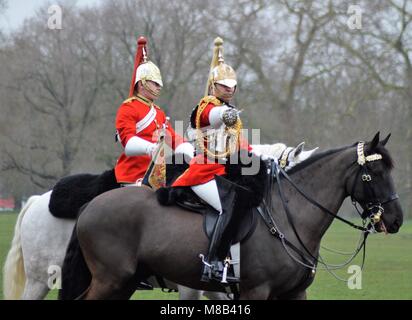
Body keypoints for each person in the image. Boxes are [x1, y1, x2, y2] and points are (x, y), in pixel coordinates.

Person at [172, 37, 252, 284]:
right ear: (213, 86)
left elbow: (242, 146)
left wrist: (267, 158)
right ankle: (214, 263)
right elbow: (213, 116)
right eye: (224, 85)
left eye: (232, 85)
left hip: (226, 173)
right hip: (204, 173)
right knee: (229, 206)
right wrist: (225, 113)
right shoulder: (205, 107)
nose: (229, 89)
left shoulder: (232, 115)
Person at [115, 36, 194, 187]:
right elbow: (128, 142)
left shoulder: (158, 112)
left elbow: (171, 136)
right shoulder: (128, 108)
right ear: (142, 83)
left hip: (158, 171)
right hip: (135, 173)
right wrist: (150, 148)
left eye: (159, 84)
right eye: (155, 83)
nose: (159, 87)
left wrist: (186, 149)